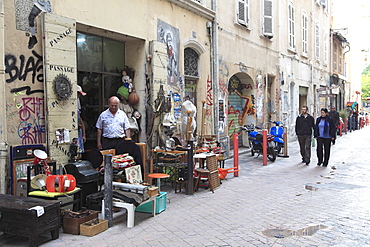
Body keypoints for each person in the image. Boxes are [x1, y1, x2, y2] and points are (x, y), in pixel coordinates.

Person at [77, 85, 86, 158]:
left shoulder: (77, 102)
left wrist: (84, 135)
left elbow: (81, 121)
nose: (79, 96)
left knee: (80, 152)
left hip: (79, 132)